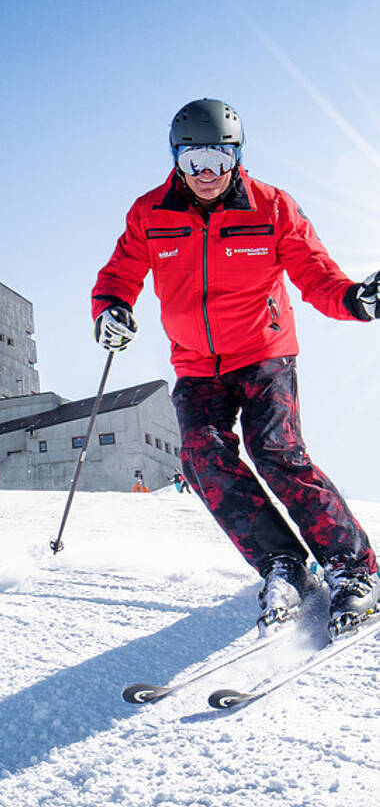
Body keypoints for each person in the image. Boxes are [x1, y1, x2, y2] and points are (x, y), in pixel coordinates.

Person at [92, 97, 380, 637]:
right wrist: (111, 310)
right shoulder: (149, 213)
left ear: (237, 158)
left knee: (276, 451)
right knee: (202, 460)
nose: (206, 174)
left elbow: (315, 271)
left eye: (219, 160)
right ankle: (284, 564)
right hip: (197, 364)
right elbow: (120, 274)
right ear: (176, 158)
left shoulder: (271, 207)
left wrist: (354, 300)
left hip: (264, 352)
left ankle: (354, 568)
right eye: (193, 160)